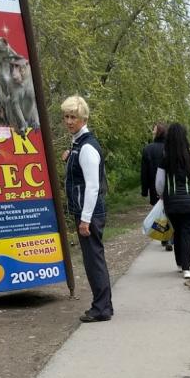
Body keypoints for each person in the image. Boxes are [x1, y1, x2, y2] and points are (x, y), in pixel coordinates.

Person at [61, 95, 113, 322]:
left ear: (84, 119)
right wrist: (69, 158)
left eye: (73, 117)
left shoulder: (87, 147)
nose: (69, 121)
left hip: (89, 212)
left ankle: (101, 308)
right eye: (66, 117)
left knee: (93, 260)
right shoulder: (78, 144)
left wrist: (85, 219)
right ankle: (104, 306)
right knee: (92, 259)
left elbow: (92, 186)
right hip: (85, 210)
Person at [156, 123, 190, 279]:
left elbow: (159, 183)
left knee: (177, 232)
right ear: (185, 138)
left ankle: (180, 263)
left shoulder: (165, 159)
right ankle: (186, 267)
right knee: (187, 234)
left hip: (172, 204)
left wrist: (161, 195)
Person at [141, 122, 173, 252]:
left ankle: (165, 237)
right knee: (170, 212)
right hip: (170, 186)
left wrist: (144, 190)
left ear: (158, 132)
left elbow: (144, 172)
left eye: (154, 129)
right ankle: (169, 237)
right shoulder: (170, 148)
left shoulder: (148, 149)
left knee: (160, 212)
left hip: (155, 187)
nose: (152, 131)